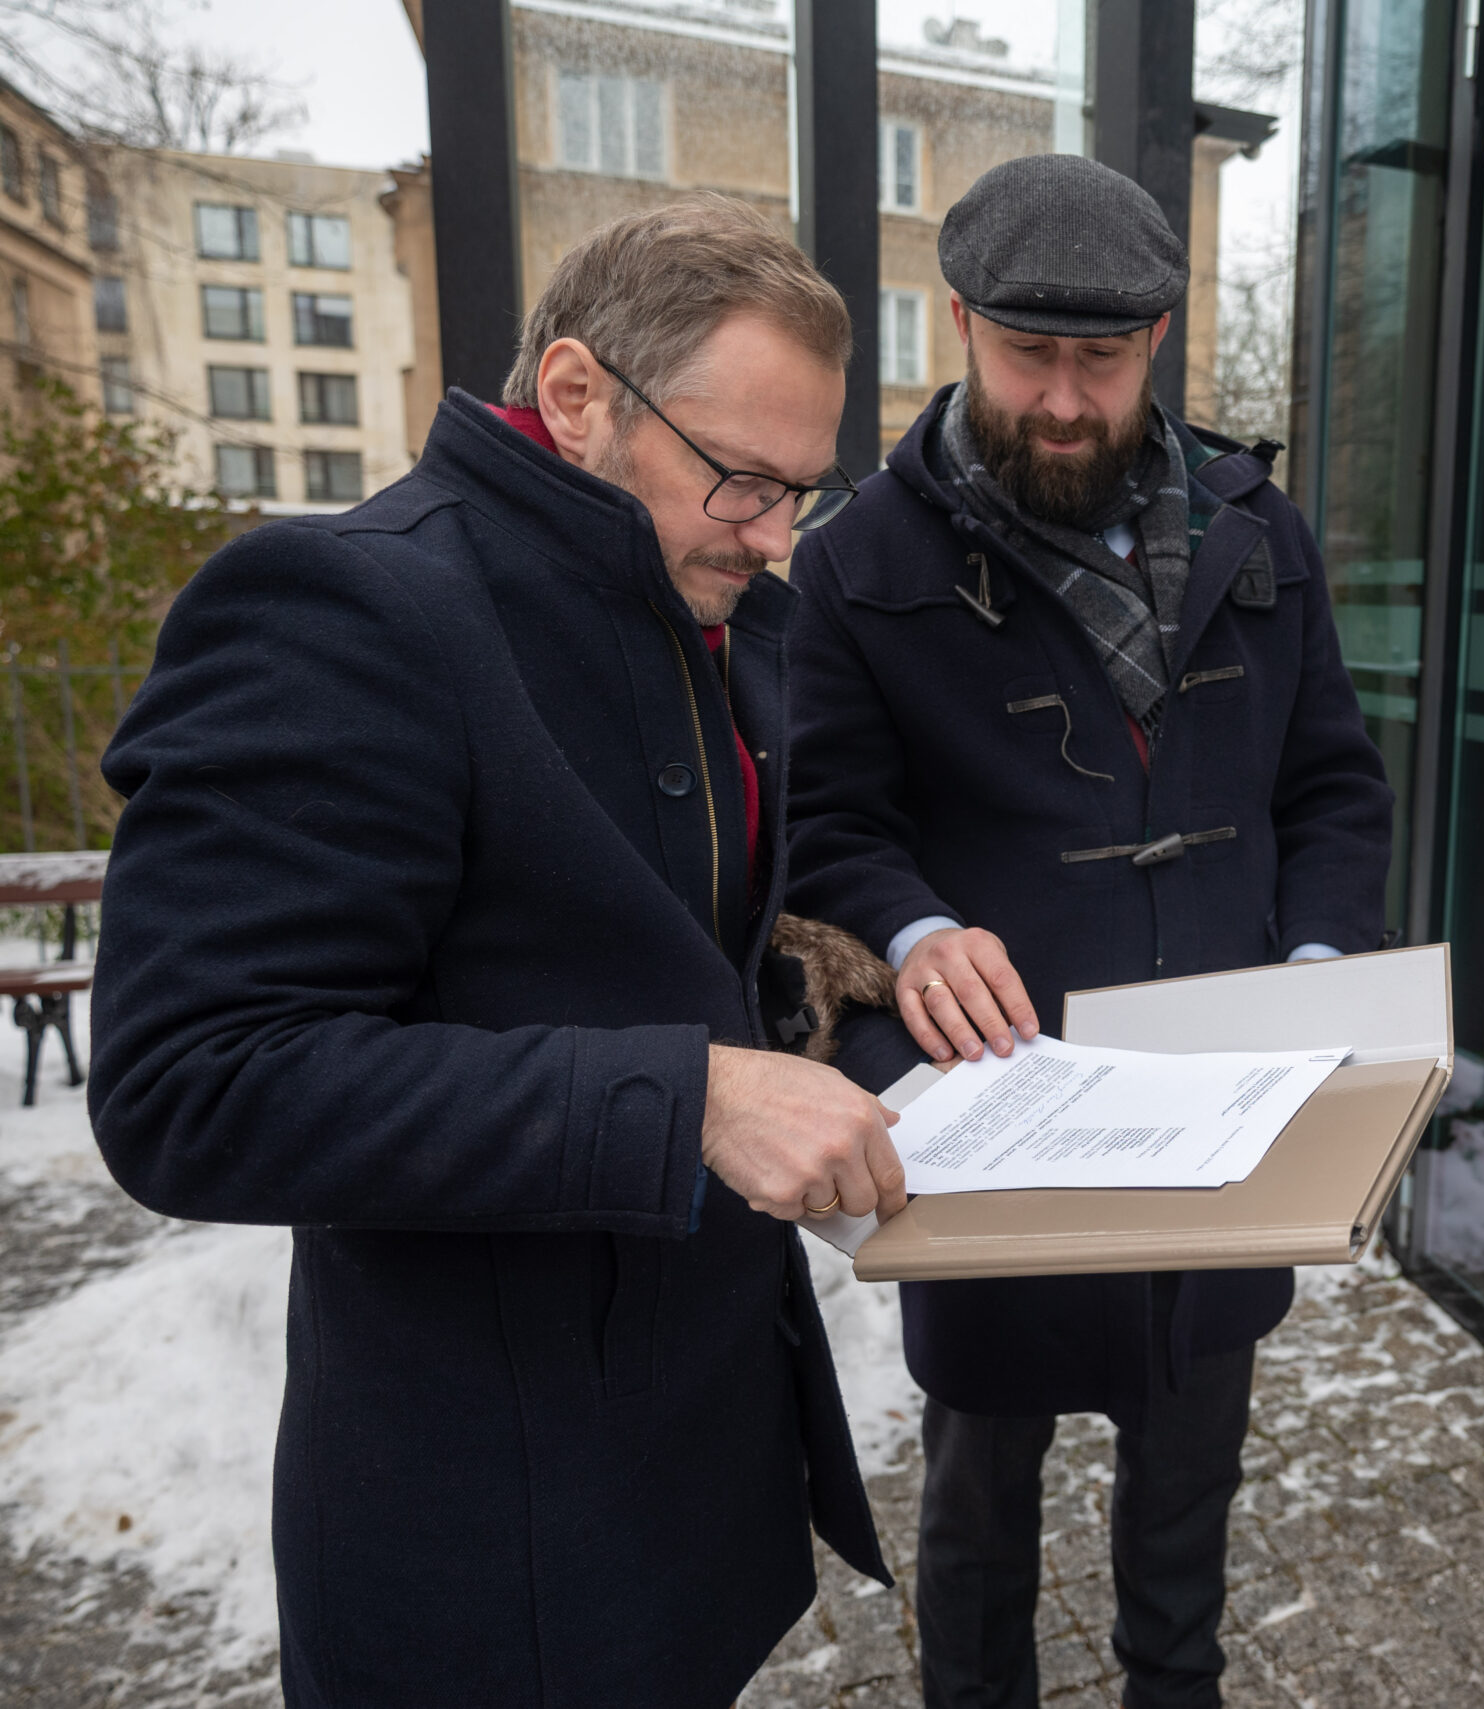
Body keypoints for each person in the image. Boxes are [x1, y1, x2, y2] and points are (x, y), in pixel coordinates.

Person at [87, 195, 908, 1708]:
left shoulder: (705, 604)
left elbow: (654, 943)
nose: (780, 537)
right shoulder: (344, 607)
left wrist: (831, 997)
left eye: (806, 487)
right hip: (492, 1533)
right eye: (741, 480)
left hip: (687, 1473)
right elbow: (190, 1084)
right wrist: (699, 1101)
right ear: (581, 393)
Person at [784, 154, 1395, 1709]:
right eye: (1029, 354)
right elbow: (827, 828)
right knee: (982, 1489)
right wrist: (912, 931)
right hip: (1003, 1112)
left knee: (1196, 1468)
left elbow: (1332, 789)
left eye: (1103, 360)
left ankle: (1168, 1689)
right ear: (962, 322)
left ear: (1162, 338)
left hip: (1225, 1109)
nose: (1065, 399)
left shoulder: (1262, 532)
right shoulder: (860, 560)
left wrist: (1318, 974)